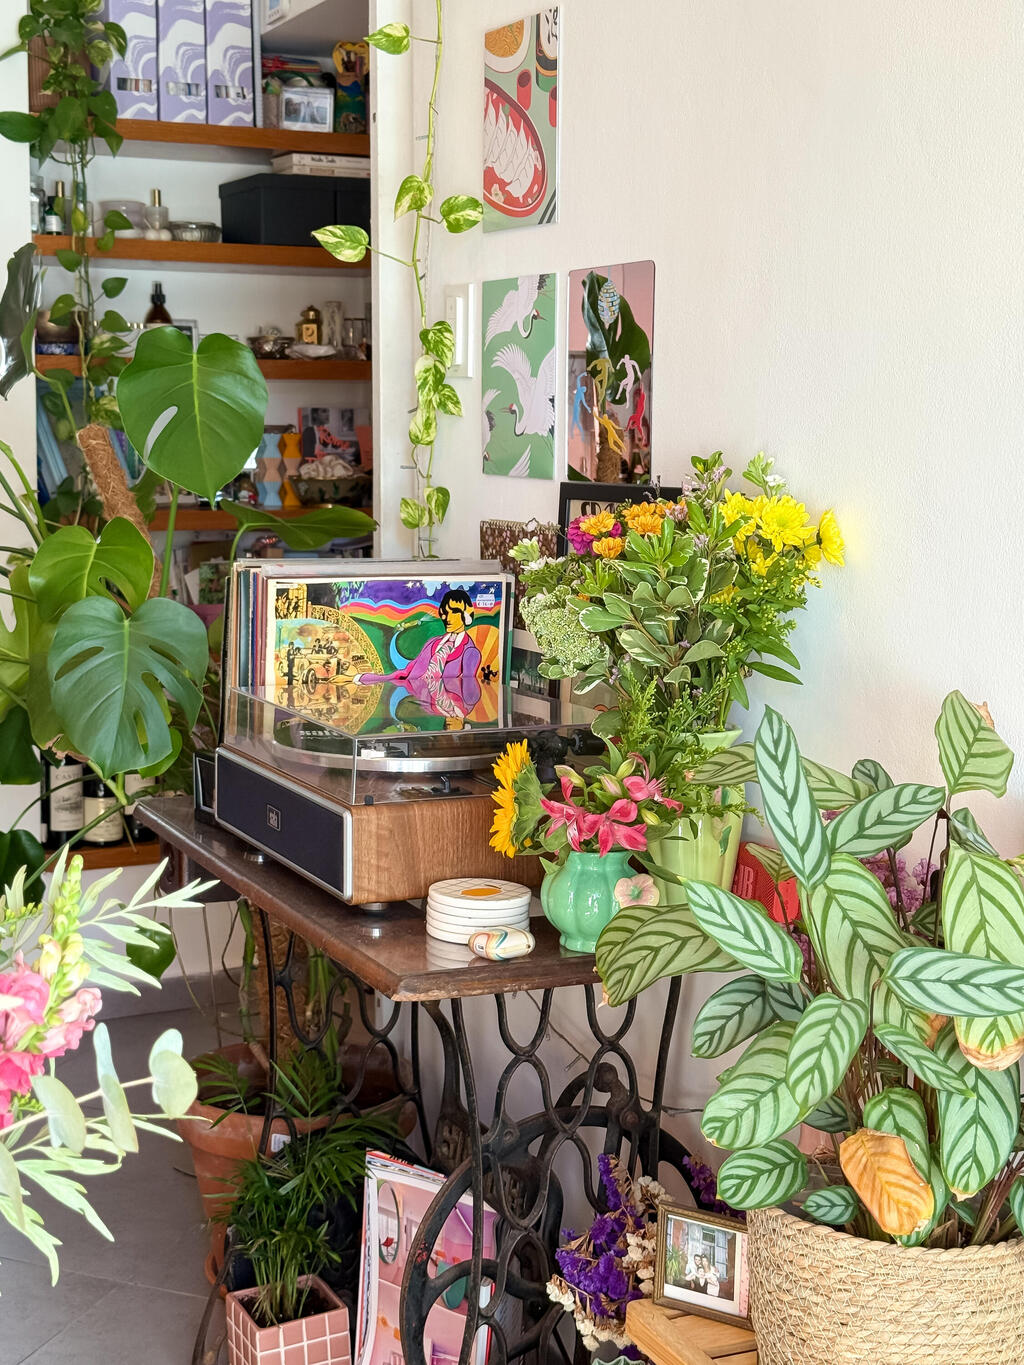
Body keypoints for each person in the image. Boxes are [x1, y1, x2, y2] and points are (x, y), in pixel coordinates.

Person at [342, 589, 482, 729]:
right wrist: (358, 679)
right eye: (445, 613)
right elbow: (406, 673)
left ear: (466, 615)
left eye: (454, 612)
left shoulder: (470, 653)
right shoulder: (433, 643)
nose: (448, 618)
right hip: (407, 692)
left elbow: (468, 688)